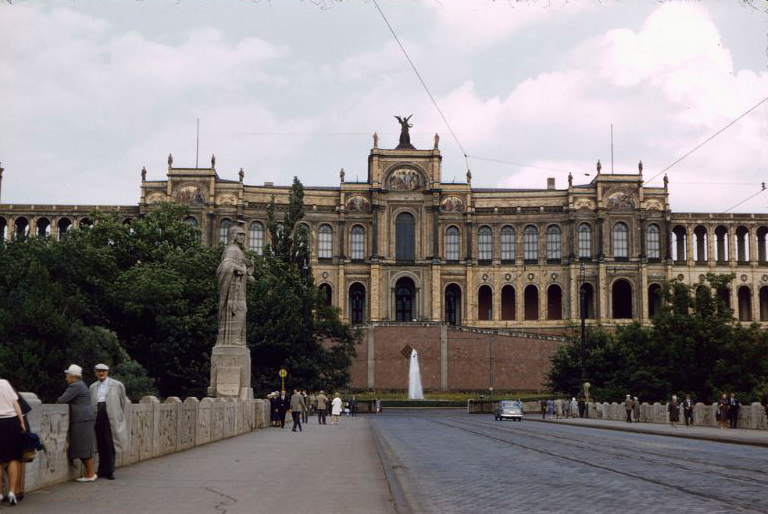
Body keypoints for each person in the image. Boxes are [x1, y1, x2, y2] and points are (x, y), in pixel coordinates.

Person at [215, 224, 255, 347]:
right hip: (233, 290)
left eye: (243, 235)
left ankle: (235, 339)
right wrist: (241, 269)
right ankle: (233, 339)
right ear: (233, 236)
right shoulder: (232, 249)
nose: (242, 237)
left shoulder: (239, 251)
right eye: (240, 235)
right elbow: (225, 265)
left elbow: (242, 271)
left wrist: (249, 275)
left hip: (239, 288)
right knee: (240, 310)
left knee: (241, 310)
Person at [57, 364, 97, 481]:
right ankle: (90, 473)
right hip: (85, 418)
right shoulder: (81, 385)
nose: (66, 379)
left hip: (81, 419)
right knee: (85, 446)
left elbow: (61, 400)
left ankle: (90, 474)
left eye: (67, 376)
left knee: (83, 447)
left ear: (73, 376)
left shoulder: (75, 386)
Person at [89, 363, 127, 480]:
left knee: (110, 443)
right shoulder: (92, 387)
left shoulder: (117, 385)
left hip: (111, 414)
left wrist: (118, 414)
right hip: (97, 414)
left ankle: (110, 470)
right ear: (95, 373)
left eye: (103, 371)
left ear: (107, 372)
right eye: (99, 371)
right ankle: (102, 470)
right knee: (100, 442)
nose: (101, 373)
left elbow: (123, 401)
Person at [0, 378, 26, 505]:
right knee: (13, 458)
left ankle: (0, 493)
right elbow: (15, 403)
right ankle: (12, 492)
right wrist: (21, 422)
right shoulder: (4, 383)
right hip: (11, 421)